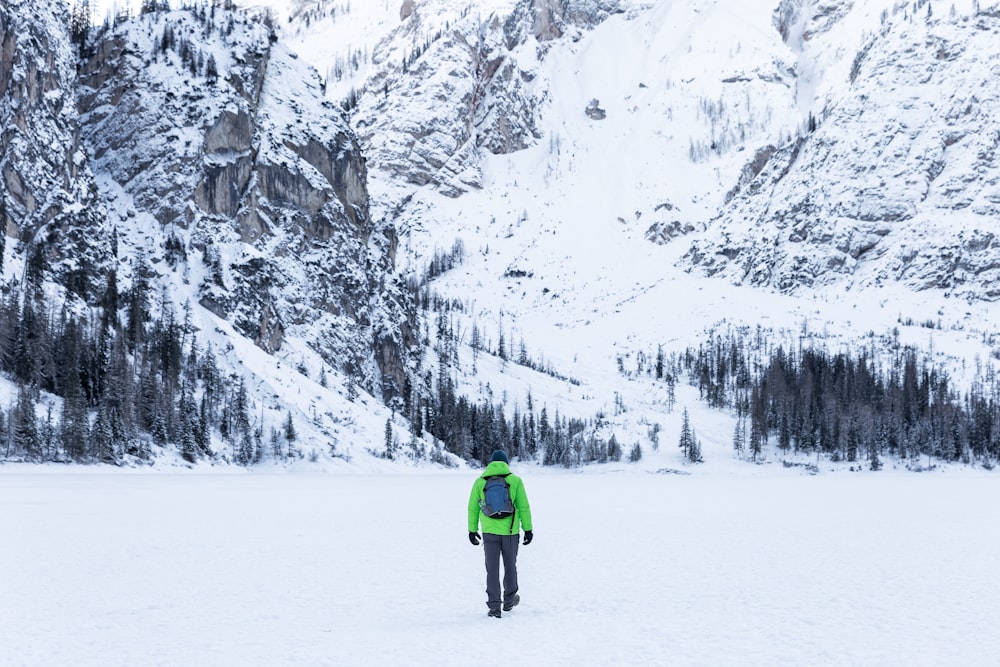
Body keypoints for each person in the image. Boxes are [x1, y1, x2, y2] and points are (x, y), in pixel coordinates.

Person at [468, 449, 533, 618]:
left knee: (492, 569)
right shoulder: (515, 480)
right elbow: (523, 507)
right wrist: (528, 529)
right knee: (510, 566)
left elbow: (473, 509)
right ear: (506, 463)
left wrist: (472, 530)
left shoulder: (480, 482)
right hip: (510, 533)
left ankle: (494, 607)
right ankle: (509, 600)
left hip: (489, 532)